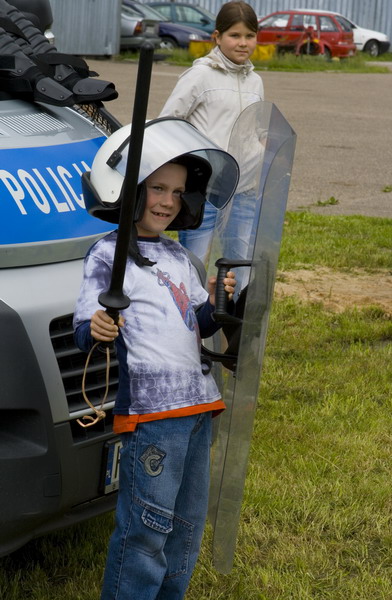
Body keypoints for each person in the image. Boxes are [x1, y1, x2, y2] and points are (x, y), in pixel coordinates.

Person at [73, 119, 238, 600]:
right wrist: (99, 327)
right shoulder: (108, 255)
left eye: (178, 192)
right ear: (127, 190)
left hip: (199, 410)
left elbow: (197, 326)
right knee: (146, 532)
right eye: (157, 188)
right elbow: (86, 330)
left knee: (185, 531)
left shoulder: (181, 259)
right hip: (153, 417)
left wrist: (215, 304)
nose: (168, 201)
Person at [159, 1, 264, 269]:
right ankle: (191, 311)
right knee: (194, 267)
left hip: (243, 192)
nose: (243, 43)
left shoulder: (256, 81)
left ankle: (231, 311)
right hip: (204, 191)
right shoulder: (200, 75)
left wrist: (261, 152)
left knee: (239, 266)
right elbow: (169, 122)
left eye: (250, 36)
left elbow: (255, 129)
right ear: (217, 37)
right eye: (235, 35)